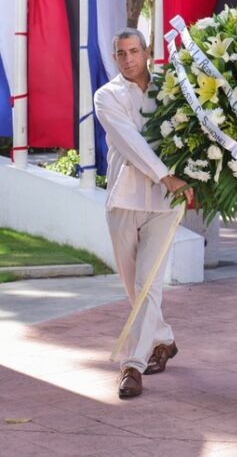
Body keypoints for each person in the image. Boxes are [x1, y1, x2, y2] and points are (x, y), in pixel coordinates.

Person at [94, 28, 193, 399]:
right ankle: (164, 339)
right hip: (125, 199)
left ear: (147, 51)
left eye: (134, 51)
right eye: (121, 53)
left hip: (165, 205)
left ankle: (132, 366)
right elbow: (130, 142)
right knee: (134, 286)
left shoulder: (171, 90)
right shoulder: (107, 96)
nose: (128, 59)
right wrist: (165, 175)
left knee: (147, 285)